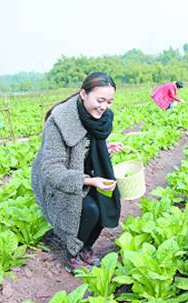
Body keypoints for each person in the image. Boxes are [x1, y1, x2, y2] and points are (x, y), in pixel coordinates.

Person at [31, 72, 123, 273]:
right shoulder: (59, 121)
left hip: (83, 174)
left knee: (105, 204)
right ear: (83, 94)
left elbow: (83, 148)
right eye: (100, 100)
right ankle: (71, 254)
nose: (104, 106)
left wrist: (104, 149)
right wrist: (89, 181)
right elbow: (51, 170)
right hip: (57, 182)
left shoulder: (99, 119)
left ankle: (85, 248)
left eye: (109, 101)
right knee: (90, 209)